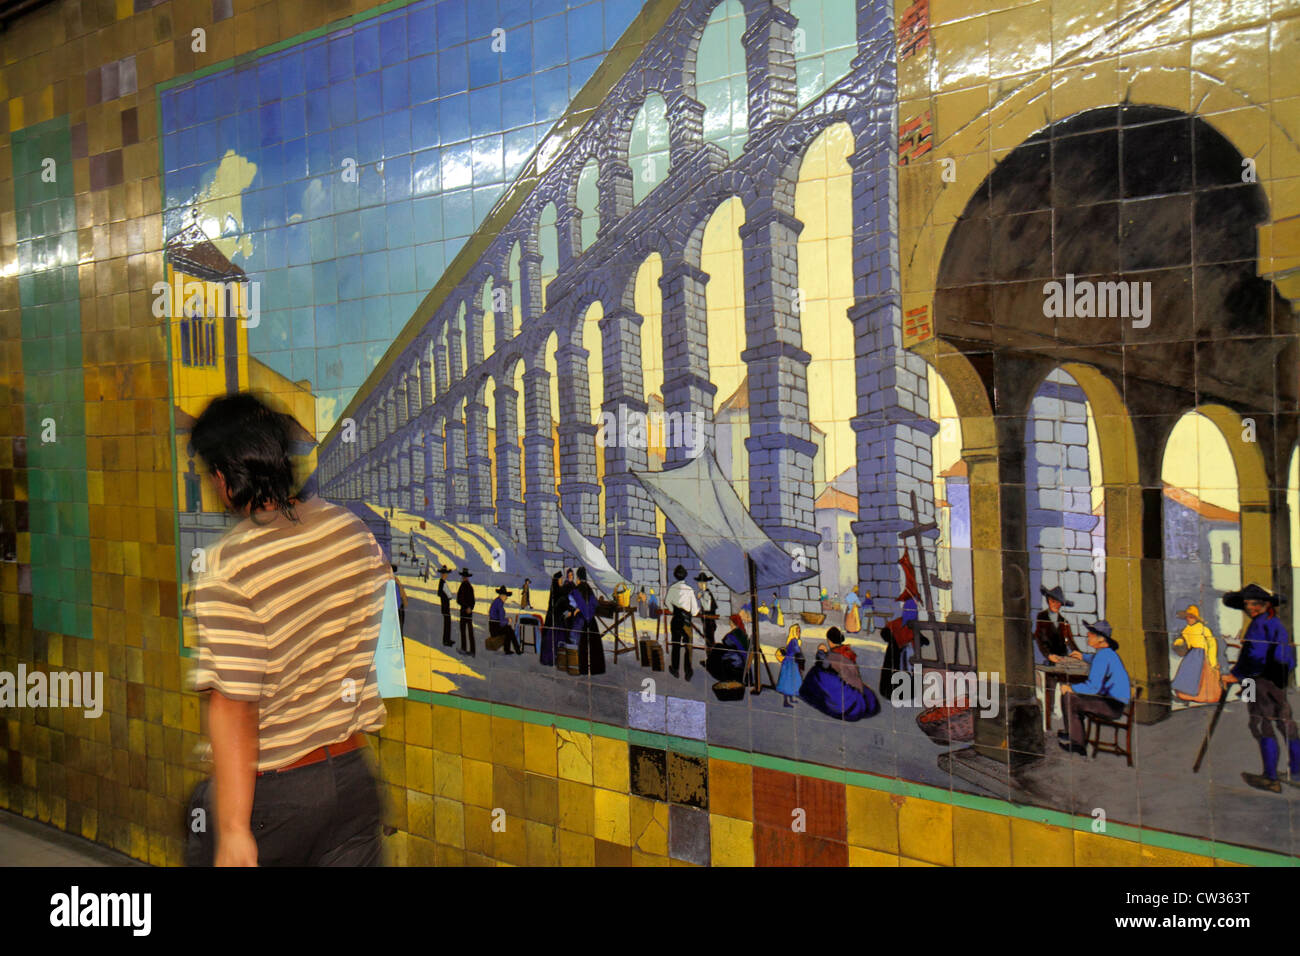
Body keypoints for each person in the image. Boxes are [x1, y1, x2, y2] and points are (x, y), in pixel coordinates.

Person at [186, 392, 385, 866]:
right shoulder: (350, 530)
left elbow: (235, 705)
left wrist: (234, 828)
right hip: (354, 779)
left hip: (276, 797)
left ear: (223, 477)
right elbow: (381, 648)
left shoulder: (229, 566)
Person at [1221, 583, 1297, 793]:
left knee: (1260, 724)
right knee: (1285, 723)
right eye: (1247, 604)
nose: (1250, 608)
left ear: (1265, 604)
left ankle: (1271, 778)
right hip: (1277, 682)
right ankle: (1297, 772)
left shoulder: (1258, 625)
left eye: (1255, 604)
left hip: (1257, 681)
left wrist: (1235, 675)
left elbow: (1255, 656)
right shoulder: (1276, 623)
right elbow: (1289, 657)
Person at [1058, 620, 1131, 755]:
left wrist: (1071, 688)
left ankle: (1078, 745)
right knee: (1071, 696)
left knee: (1070, 697)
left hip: (1112, 706)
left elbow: (1093, 687)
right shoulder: (1106, 654)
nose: (1088, 635)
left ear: (1101, 639)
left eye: (1091, 633)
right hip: (1114, 702)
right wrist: (1083, 656)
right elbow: (1095, 660)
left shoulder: (1103, 656)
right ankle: (1072, 733)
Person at [800, 626, 880, 721]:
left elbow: (822, 665)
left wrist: (821, 652)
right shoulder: (847, 651)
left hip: (849, 702)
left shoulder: (832, 656)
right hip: (859, 694)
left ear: (829, 640)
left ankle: (806, 692)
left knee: (818, 672)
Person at [1034, 584, 1081, 728]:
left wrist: (1077, 652)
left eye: (1058, 602)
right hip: (1048, 659)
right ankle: (1048, 720)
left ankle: (1065, 717)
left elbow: (1070, 641)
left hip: (1062, 659)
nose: (1056, 604)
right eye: (1053, 601)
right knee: (1049, 687)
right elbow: (1039, 639)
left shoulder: (1063, 621)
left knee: (1067, 685)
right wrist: (1049, 656)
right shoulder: (1041, 617)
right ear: (1048, 601)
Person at [1171, 604, 1220, 704]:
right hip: (1192, 653)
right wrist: (1179, 641)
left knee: (1200, 675)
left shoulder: (1203, 629)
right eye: (1187, 617)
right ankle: (1184, 696)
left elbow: (1211, 643)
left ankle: (1200, 696)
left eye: (1191, 617)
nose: (1189, 619)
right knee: (1186, 672)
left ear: (1196, 618)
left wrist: (1212, 660)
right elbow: (1183, 637)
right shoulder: (1187, 629)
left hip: (1201, 654)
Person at [569, 567, 605, 675]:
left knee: (582, 644)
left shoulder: (576, 590)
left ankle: (582, 668)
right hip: (591, 621)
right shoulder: (589, 588)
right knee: (594, 645)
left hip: (581, 621)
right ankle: (596, 669)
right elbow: (594, 604)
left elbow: (573, 604)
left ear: (578, 578)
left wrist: (578, 610)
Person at [667, 564, 700, 680]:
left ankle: (675, 669)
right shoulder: (689, 590)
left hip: (675, 620)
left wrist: (673, 611)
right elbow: (695, 611)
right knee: (688, 646)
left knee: (675, 645)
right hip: (686, 622)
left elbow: (667, 602)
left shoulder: (672, 588)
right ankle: (688, 671)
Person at [706, 612, 751, 684]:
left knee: (717, 650)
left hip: (737, 661)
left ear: (734, 623)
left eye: (731, 622)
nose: (730, 624)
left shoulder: (736, 633)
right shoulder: (740, 632)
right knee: (718, 648)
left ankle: (710, 665)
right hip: (739, 657)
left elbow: (728, 642)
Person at [775, 624, 803, 707]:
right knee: (788, 681)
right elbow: (797, 650)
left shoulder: (792, 640)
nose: (799, 632)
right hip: (790, 663)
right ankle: (786, 701)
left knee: (790, 681)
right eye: (798, 631)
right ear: (794, 632)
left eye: (799, 631)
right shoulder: (794, 641)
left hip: (790, 663)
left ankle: (790, 698)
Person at [489, 585, 522, 654]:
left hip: (493, 625)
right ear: (502, 595)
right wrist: (508, 620)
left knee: (508, 629)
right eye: (505, 596)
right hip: (495, 627)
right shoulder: (499, 604)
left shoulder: (496, 601)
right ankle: (516, 650)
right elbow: (501, 622)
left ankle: (508, 650)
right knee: (509, 630)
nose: (506, 598)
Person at [540, 571, 564, 666]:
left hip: (554, 616)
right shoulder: (556, 590)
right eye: (560, 579)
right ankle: (550, 659)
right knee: (551, 639)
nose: (561, 580)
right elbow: (556, 605)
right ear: (557, 580)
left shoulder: (557, 589)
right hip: (554, 617)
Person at [697, 572, 718, 654]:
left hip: (709, 622)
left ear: (704, 583)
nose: (699, 584)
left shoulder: (706, 594)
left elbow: (707, 607)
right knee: (708, 641)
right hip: (707, 621)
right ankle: (710, 659)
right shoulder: (705, 593)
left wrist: (701, 597)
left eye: (700, 582)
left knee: (710, 641)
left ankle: (711, 659)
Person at [457, 568, 476, 656]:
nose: (464, 578)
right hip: (466, 611)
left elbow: (471, 600)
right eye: (464, 577)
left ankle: (470, 650)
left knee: (467, 630)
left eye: (465, 577)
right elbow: (459, 599)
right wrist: (469, 608)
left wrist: (469, 608)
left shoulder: (467, 587)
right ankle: (467, 649)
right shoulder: (466, 586)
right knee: (466, 630)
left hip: (465, 611)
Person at [436, 565, 454, 648]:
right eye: (445, 574)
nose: (446, 575)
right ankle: (446, 640)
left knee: (447, 623)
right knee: (447, 623)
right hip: (445, 606)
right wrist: (446, 596)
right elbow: (444, 594)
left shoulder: (442, 583)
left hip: (445, 606)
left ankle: (447, 640)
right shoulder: (442, 583)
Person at [391, 564, 407, 634]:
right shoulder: (388, 583)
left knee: (399, 632)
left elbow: (403, 595)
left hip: (398, 609)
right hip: (392, 610)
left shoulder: (396, 581)